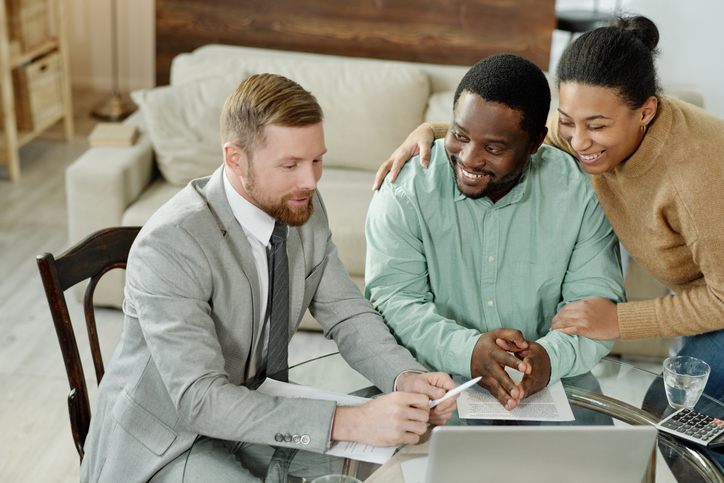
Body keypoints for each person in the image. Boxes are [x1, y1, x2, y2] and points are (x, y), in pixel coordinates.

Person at [80, 73, 459, 483]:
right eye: (290, 165)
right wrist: (347, 422)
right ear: (235, 158)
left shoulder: (302, 208)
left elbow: (347, 314)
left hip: (256, 414)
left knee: (405, 461)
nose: (310, 181)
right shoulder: (171, 243)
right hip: (170, 440)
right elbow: (199, 401)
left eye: (317, 160)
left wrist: (407, 377)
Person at [373, 16, 724, 403]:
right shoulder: (585, 136)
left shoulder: (698, 175)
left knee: (674, 415)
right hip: (703, 295)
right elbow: (508, 133)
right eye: (568, 122)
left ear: (645, 112)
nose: (578, 141)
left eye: (596, 126)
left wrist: (619, 321)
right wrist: (437, 131)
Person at [365, 53, 625, 412]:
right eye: (459, 135)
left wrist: (549, 356)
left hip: (552, 386)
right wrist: (465, 349)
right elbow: (393, 301)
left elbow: (596, 301)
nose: (469, 159)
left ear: (535, 144)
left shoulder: (579, 192)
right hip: (430, 381)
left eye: (493, 148)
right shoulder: (405, 187)